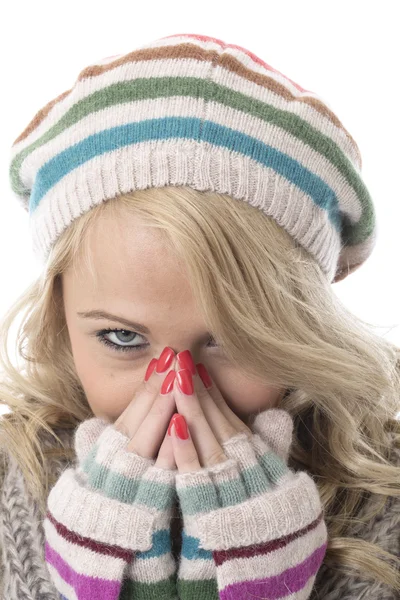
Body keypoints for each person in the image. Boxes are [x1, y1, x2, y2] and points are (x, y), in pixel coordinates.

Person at [0, 32, 399, 600]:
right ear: (58, 316)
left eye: (233, 340)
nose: (178, 390)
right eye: (120, 337)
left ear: (302, 330)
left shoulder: (385, 507)